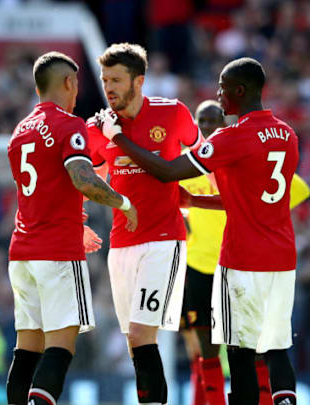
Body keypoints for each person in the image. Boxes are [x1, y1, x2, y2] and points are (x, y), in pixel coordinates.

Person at [99, 57, 300, 405]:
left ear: (240, 90)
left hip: (242, 260)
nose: (218, 94)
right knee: (277, 347)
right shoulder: (288, 135)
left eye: (222, 87)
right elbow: (253, 200)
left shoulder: (230, 138)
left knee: (238, 353)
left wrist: (118, 138)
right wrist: (196, 201)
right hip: (282, 259)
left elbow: (165, 171)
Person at [5, 51, 138, 405]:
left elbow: (44, 190)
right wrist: (123, 203)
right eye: (76, 83)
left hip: (22, 252)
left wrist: (76, 222)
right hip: (57, 252)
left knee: (26, 349)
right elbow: (82, 179)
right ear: (68, 82)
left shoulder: (19, 132)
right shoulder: (69, 124)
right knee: (61, 347)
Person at [86, 43, 202, 405]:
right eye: (105, 80)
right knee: (136, 343)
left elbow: (202, 160)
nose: (109, 88)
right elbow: (85, 177)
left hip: (163, 240)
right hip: (120, 245)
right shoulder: (97, 128)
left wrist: (198, 202)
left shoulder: (174, 114)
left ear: (139, 81)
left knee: (139, 334)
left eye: (117, 80)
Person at [180, 101, 310, 405]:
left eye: (215, 122)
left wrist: (264, 212)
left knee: (254, 349)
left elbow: (299, 189)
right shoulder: (192, 165)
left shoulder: (241, 158)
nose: (209, 128)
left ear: (224, 124)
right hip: (199, 267)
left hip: (240, 265)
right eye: (203, 122)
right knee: (205, 352)